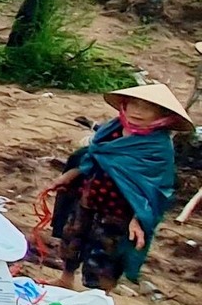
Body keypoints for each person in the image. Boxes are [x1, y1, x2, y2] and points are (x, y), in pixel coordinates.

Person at [41, 82, 191, 289]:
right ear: (124, 105)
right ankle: (66, 278)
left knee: (106, 253)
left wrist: (139, 219)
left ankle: (101, 299)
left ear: (161, 115)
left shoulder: (158, 147)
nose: (137, 111)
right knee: (73, 236)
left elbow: (156, 188)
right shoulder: (113, 128)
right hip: (90, 197)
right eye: (133, 104)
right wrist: (68, 175)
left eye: (147, 108)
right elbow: (93, 157)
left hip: (120, 211)